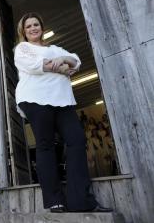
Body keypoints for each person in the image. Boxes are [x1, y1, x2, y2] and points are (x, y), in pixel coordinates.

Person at [14, 12, 112, 213]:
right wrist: (60, 68)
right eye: (28, 26)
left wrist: (64, 59)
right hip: (35, 98)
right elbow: (33, 65)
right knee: (46, 145)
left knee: (76, 140)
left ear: (41, 26)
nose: (33, 28)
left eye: (36, 24)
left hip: (62, 100)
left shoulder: (55, 48)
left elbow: (76, 62)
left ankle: (83, 201)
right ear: (23, 31)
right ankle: (54, 200)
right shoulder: (23, 48)